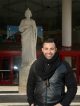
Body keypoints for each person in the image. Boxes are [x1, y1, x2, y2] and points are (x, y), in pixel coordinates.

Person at [27, 38, 77, 106]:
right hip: (38, 104)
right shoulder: (35, 65)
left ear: (55, 49)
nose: (49, 51)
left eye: (51, 49)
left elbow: (72, 87)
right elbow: (30, 85)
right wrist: (31, 102)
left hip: (57, 103)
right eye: (46, 49)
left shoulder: (64, 65)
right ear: (42, 50)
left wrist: (63, 103)